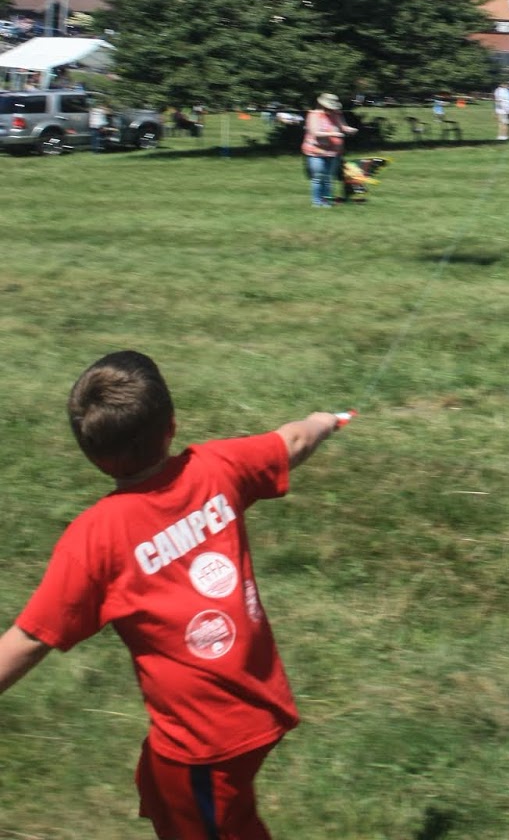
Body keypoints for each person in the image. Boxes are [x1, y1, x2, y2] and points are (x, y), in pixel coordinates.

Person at [0, 350, 343, 839]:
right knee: (161, 789)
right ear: (171, 426)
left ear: (90, 453)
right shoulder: (216, 466)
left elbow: (31, 638)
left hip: (204, 740)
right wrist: (325, 420)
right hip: (252, 694)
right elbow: (292, 441)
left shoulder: (95, 539)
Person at [300, 92, 355, 207]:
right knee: (318, 177)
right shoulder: (314, 115)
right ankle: (317, 202)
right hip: (315, 151)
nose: (331, 109)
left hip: (334, 152)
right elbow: (315, 132)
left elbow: (342, 126)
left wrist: (349, 129)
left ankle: (327, 202)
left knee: (329, 178)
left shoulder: (337, 114)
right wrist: (333, 134)